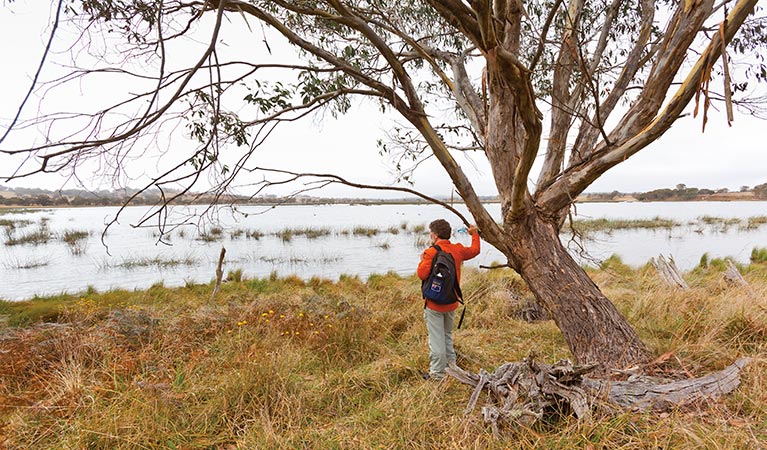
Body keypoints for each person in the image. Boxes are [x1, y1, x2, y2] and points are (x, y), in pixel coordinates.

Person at [417, 219, 480, 381]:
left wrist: (422, 259)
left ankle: (437, 376)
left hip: (434, 305)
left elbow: (421, 275)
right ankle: (452, 367)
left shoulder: (430, 252)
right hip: (452, 302)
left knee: (436, 340)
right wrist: (474, 234)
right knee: (446, 335)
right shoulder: (456, 250)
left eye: (430, 232)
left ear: (435, 235)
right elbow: (475, 250)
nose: (430, 234)